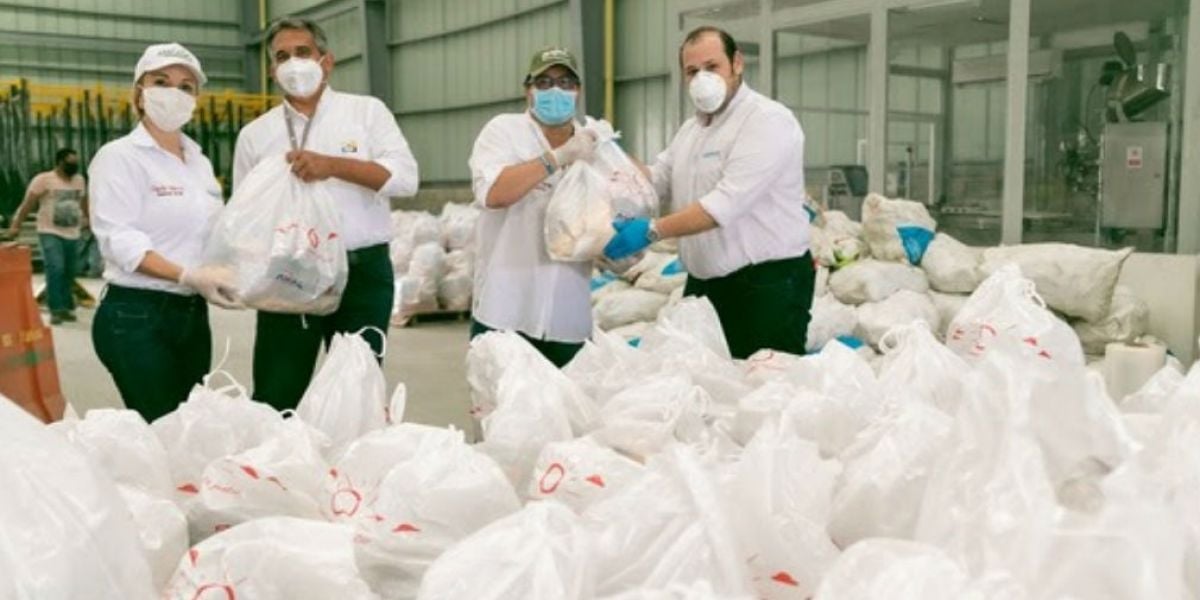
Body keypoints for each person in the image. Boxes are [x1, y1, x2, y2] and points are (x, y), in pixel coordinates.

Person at [233, 17, 419, 411]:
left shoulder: (366, 113)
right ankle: (277, 468)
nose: (293, 63)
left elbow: (406, 180)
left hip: (363, 274)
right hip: (289, 271)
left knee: (356, 392)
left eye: (303, 52)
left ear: (326, 61)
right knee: (277, 391)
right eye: (282, 56)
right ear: (271, 70)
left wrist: (333, 166)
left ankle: (348, 470)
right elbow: (244, 215)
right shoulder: (256, 135)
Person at [603, 26, 813, 359]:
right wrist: (606, 150)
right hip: (707, 284)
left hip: (766, 285)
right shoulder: (692, 129)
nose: (702, 78)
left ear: (737, 64)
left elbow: (725, 204)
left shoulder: (767, 120)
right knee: (712, 385)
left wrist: (652, 230)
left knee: (766, 390)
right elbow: (656, 180)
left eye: (712, 67)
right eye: (692, 71)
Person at [88, 43, 240, 422]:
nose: (175, 92)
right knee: (161, 427)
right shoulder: (118, 157)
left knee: (186, 429)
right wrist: (186, 274)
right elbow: (118, 239)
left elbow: (212, 233)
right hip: (135, 314)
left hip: (191, 313)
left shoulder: (199, 162)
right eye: (161, 81)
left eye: (186, 86)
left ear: (196, 100)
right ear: (139, 94)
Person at [467, 46, 601, 368]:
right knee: (502, 412)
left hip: (567, 316)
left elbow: (611, 214)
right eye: (544, 83)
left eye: (566, 82)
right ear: (528, 90)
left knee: (570, 414)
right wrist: (558, 158)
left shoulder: (595, 145)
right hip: (504, 310)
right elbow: (495, 193)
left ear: (578, 90)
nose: (556, 90)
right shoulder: (503, 131)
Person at [7, 148, 88, 325]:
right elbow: (28, 203)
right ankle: (56, 309)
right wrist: (16, 224)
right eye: (69, 163)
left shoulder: (79, 180)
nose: (73, 166)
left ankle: (67, 306)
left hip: (72, 233)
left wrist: (87, 218)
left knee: (69, 271)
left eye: (75, 163)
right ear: (59, 162)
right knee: (56, 268)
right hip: (49, 231)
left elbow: (83, 201)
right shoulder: (43, 180)